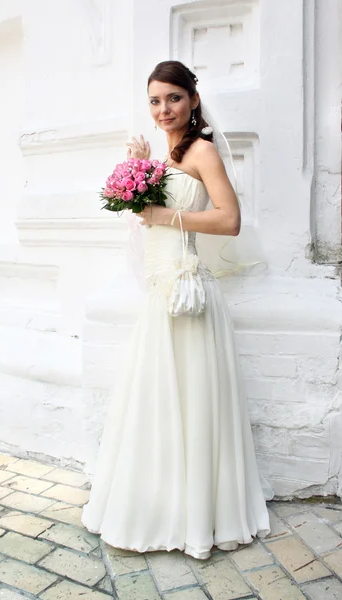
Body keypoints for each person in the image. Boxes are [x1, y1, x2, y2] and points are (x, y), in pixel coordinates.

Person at [81, 60, 272, 560]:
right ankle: (160, 505)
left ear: (192, 100)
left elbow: (229, 220)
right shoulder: (163, 154)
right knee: (159, 400)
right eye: (154, 101)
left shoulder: (203, 150)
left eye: (173, 98)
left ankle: (197, 518)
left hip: (189, 293)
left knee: (193, 403)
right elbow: (143, 218)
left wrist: (163, 212)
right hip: (159, 292)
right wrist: (138, 168)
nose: (163, 109)